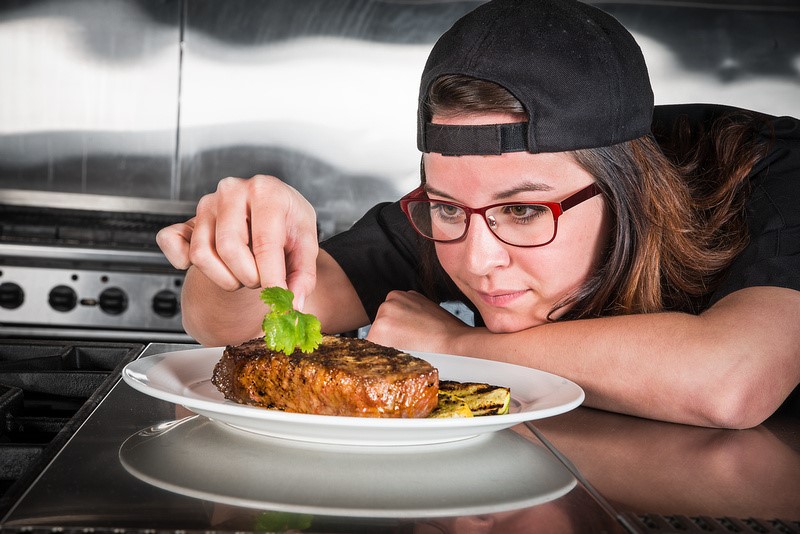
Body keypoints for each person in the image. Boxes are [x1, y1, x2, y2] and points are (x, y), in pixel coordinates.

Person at [156, 0, 800, 429]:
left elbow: (733, 380)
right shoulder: (457, 222)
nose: (478, 259)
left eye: (523, 210)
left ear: (630, 189)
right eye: (444, 206)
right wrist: (243, 243)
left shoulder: (769, 172)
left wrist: (458, 345)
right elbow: (220, 324)